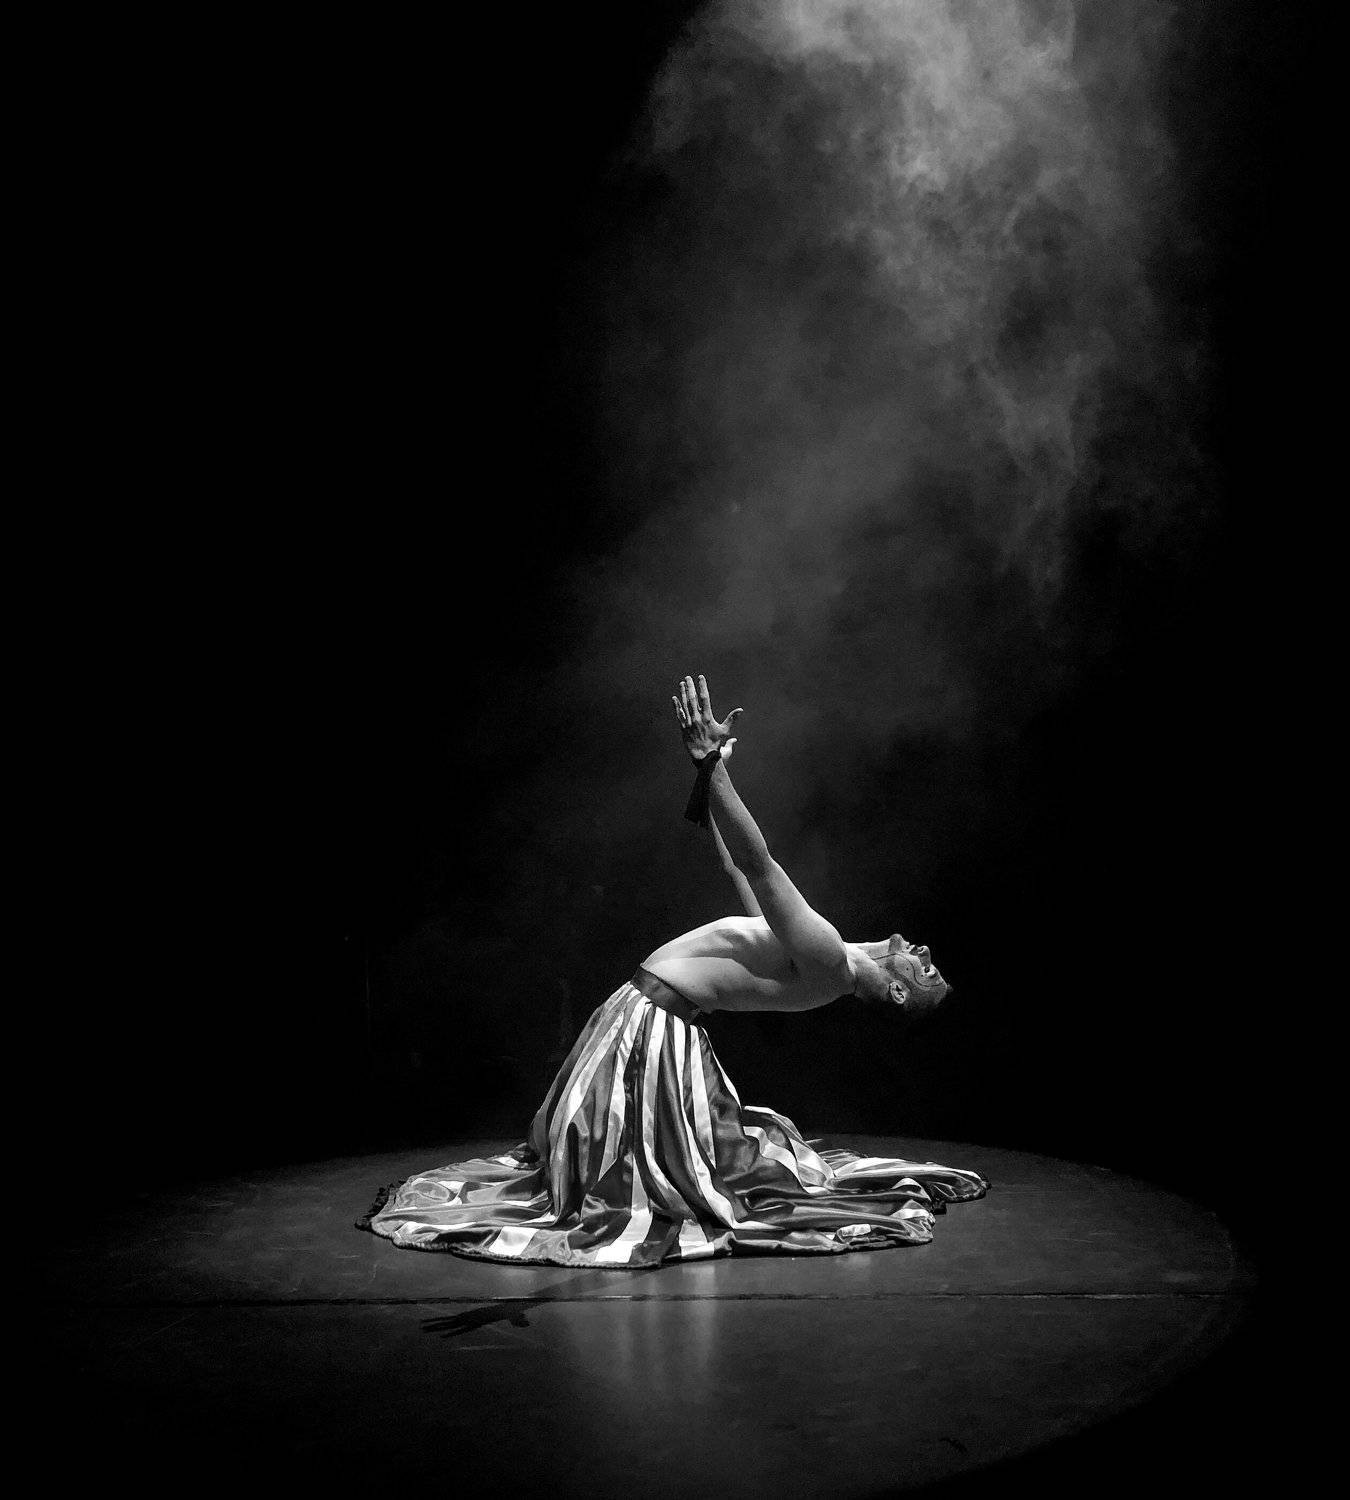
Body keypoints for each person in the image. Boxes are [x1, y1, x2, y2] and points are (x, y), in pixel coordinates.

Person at [359, 676, 986, 1268]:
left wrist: (711, 767)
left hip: (651, 1025)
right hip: (647, 1016)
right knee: (606, 1158)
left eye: (925, 973)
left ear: (897, 991)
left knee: (618, 1177)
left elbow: (761, 863)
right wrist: (709, 788)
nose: (925, 953)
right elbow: (742, 872)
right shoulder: (820, 955)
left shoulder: (827, 958)